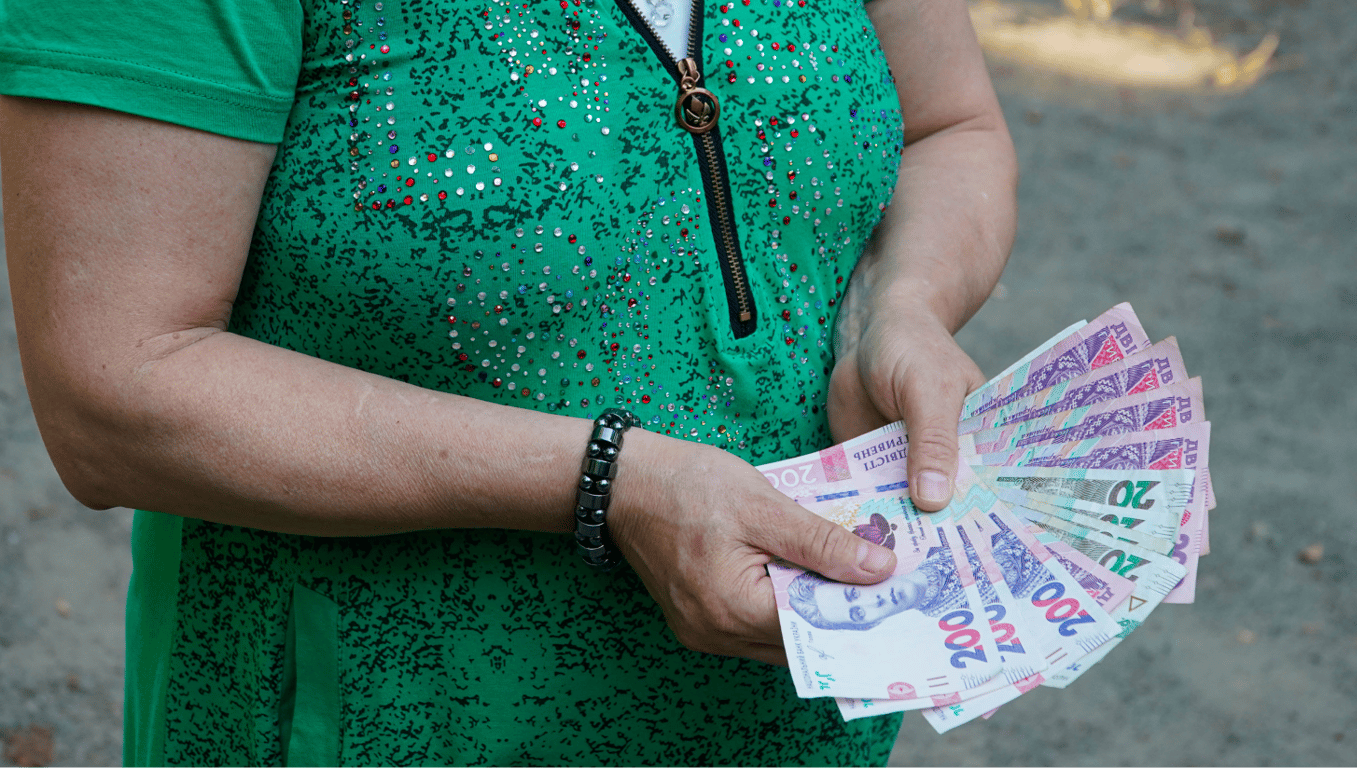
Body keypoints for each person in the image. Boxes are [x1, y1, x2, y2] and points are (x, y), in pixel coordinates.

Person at [0, 0, 1016, 762]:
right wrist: (611, 480)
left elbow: (947, 126)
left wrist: (903, 308)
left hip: (789, 723)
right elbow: (114, 387)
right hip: (387, 719)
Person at [787, 546, 963, 630]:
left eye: (854, 593)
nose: (874, 601)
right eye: (859, 613)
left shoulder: (937, 549)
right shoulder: (956, 621)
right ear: (872, 623)